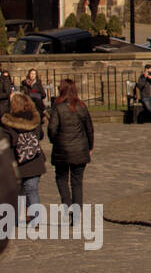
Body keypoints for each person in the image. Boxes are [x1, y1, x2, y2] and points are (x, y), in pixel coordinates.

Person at [48, 78, 94, 207]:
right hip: (80, 149)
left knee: (61, 178)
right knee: (77, 183)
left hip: (62, 149)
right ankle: (76, 214)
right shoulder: (82, 106)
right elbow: (89, 129)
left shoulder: (58, 108)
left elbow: (52, 129)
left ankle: (66, 204)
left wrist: (55, 141)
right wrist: (90, 146)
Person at [2, 92, 46, 223]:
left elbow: (8, 143)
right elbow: (40, 136)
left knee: (20, 191)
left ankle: (18, 217)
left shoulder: (9, 122)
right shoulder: (34, 119)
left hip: (19, 161)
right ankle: (35, 219)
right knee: (32, 190)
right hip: (35, 159)